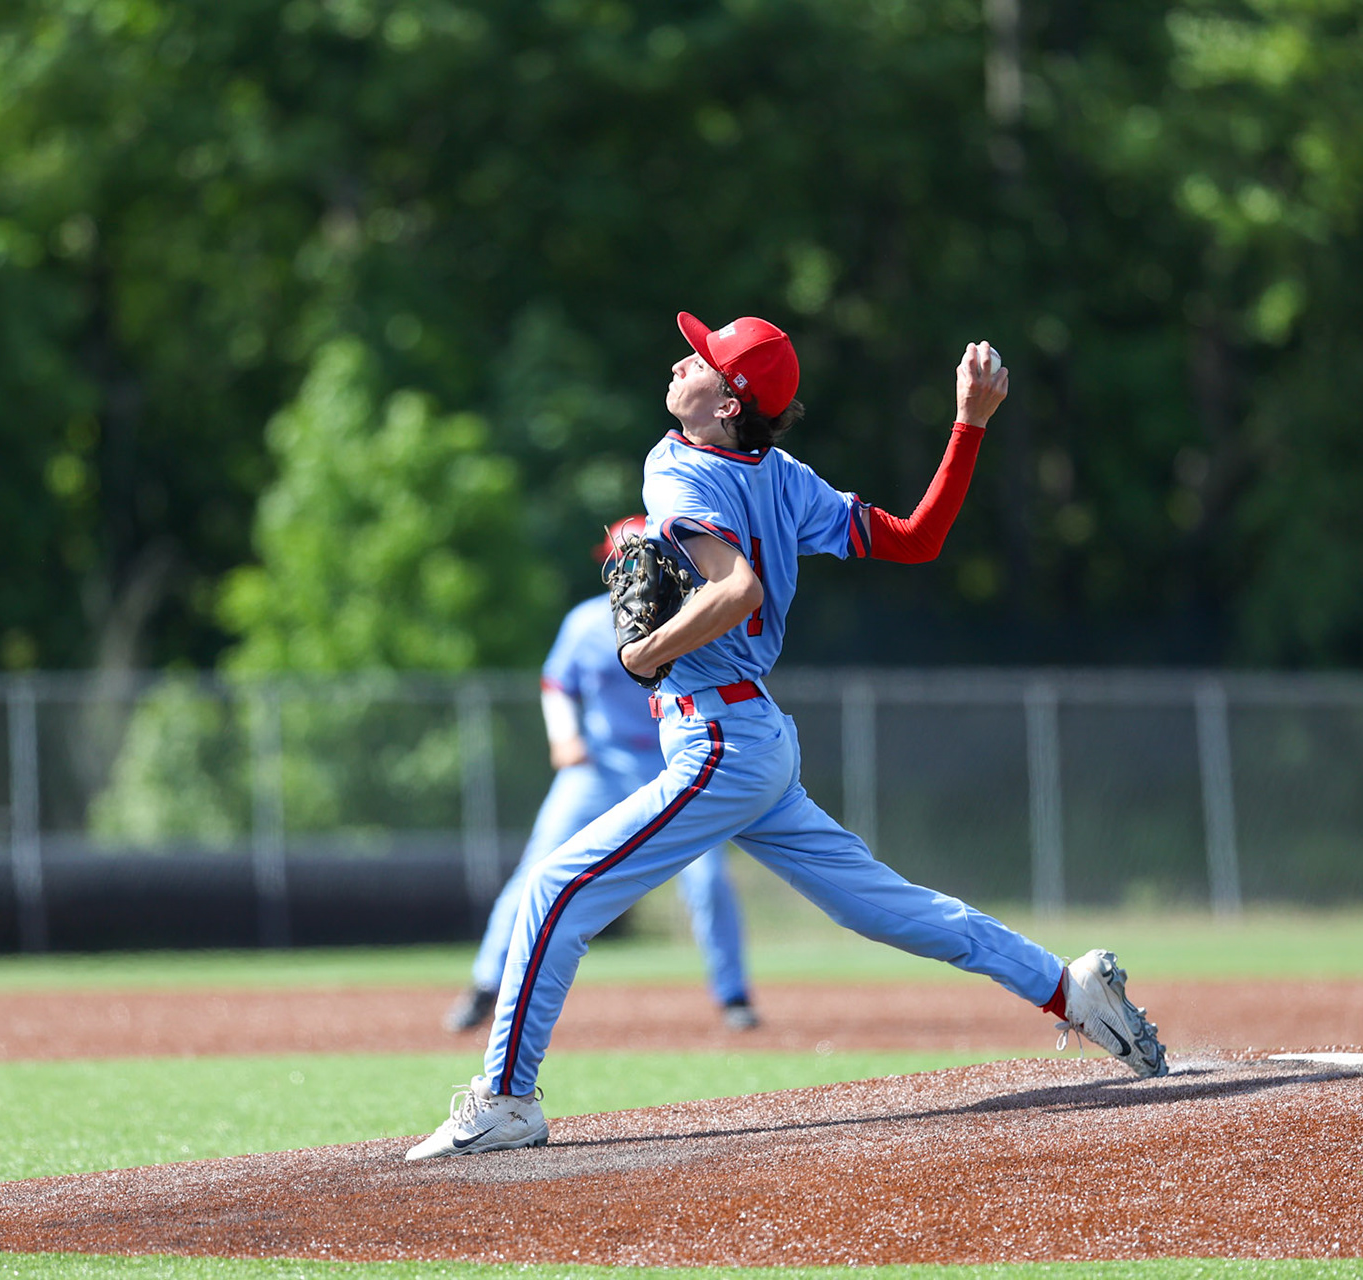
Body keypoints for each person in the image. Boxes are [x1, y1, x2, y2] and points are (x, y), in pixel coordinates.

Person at [406, 312, 1167, 1161]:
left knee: (554, 894)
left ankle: (508, 1100)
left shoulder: (675, 467)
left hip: (721, 743)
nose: (680, 361)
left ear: (729, 402)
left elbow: (737, 591)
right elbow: (916, 540)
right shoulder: (782, 472)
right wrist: (970, 427)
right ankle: (1067, 988)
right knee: (886, 908)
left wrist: (646, 653)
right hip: (754, 735)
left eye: (700, 359)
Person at [444, 524, 759, 1034]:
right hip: (599, 764)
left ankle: (733, 995)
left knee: (708, 879)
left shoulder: (693, 616)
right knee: (537, 869)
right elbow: (556, 683)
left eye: (645, 557)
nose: (635, 568)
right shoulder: (587, 622)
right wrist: (563, 734)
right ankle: (485, 983)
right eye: (624, 559)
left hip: (672, 762)